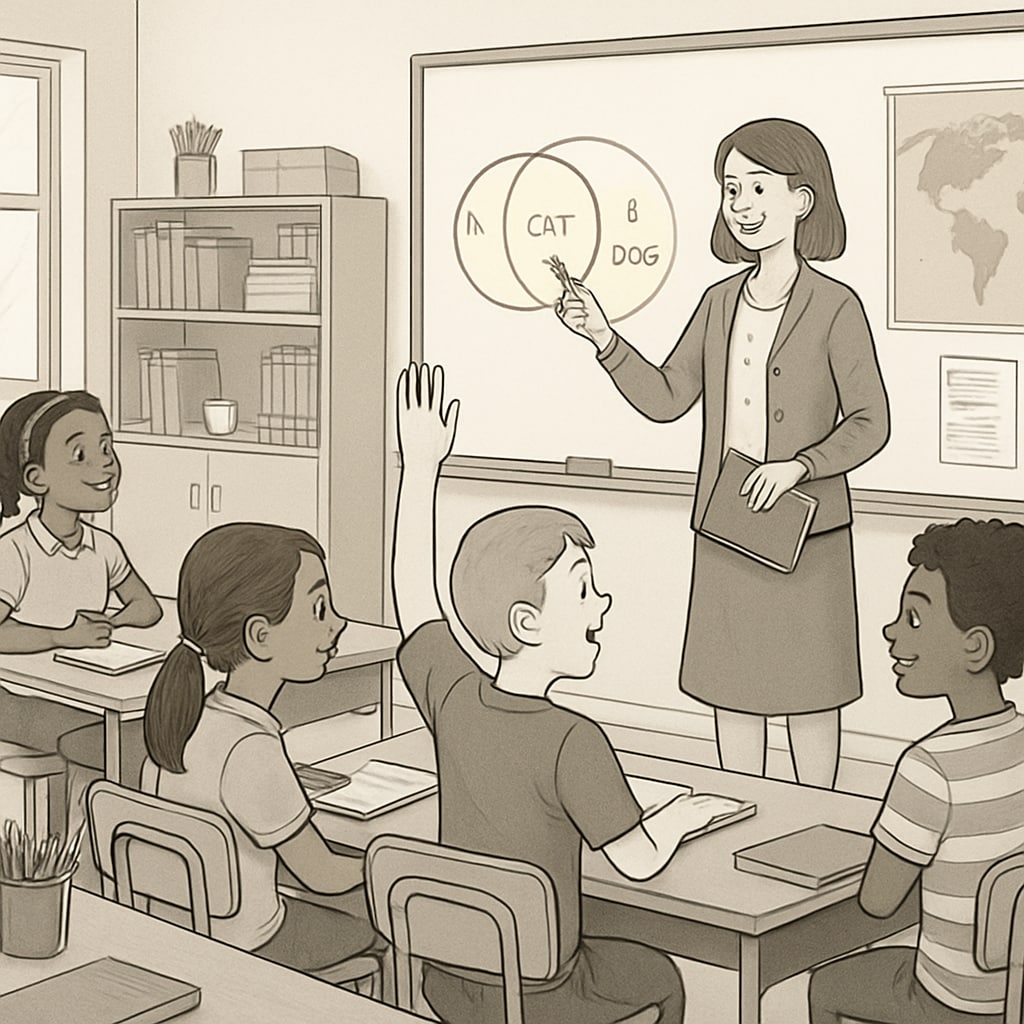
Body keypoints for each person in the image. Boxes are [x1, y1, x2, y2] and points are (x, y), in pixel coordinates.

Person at [393, 362, 740, 1024]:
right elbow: (636, 862)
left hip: (451, 984)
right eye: (583, 588)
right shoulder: (571, 740)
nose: (602, 602)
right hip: (543, 993)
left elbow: (415, 599)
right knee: (661, 976)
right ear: (526, 622)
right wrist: (686, 814)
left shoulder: (455, 697)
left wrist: (422, 467)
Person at [554, 118, 890, 789]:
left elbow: (871, 421)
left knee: (810, 696)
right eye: (730, 189)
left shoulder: (835, 306)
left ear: (803, 199)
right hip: (728, 528)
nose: (739, 204)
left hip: (807, 535)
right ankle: (741, 817)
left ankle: (816, 823)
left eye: (757, 187)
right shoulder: (717, 302)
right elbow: (668, 397)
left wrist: (801, 465)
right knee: (730, 693)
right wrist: (603, 337)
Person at [808, 518, 1024, 1024]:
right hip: (1015, 996)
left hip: (951, 1002)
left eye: (915, 619)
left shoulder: (931, 768)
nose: (891, 631)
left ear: (975, 646)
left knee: (827, 984)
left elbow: (879, 901)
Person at [141, 522, 381, 973]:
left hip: (182, 934)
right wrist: (383, 859)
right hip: (248, 947)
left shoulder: (182, 718)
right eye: (319, 609)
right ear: (260, 636)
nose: (338, 623)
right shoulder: (251, 748)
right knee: (384, 920)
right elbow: (321, 874)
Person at [0, 390, 161, 823]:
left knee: (152, 737)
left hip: (87, 695)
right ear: (37, 479)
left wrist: (112, 620)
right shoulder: (16, 552)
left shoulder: (102, 546)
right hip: (19, 702)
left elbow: (148, 607)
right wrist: (60, 637)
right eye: (82, 454)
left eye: (107, 448)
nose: (105, 464)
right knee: (127, 751)